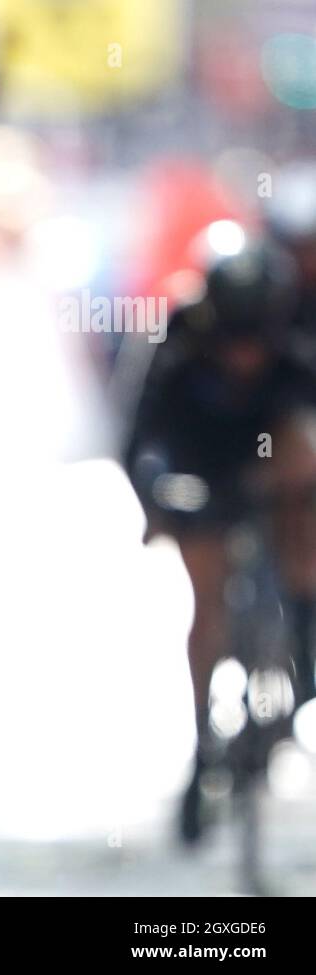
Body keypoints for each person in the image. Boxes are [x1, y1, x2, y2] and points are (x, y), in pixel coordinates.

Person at [124, 233, 316, 844]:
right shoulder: (179, 335)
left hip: (273, 465)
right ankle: (206, 738)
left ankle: (303, 655)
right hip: (200, 471)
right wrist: (154, 502)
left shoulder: (295, 334)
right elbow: (139, 434)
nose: (244, 355)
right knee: (208, 602)